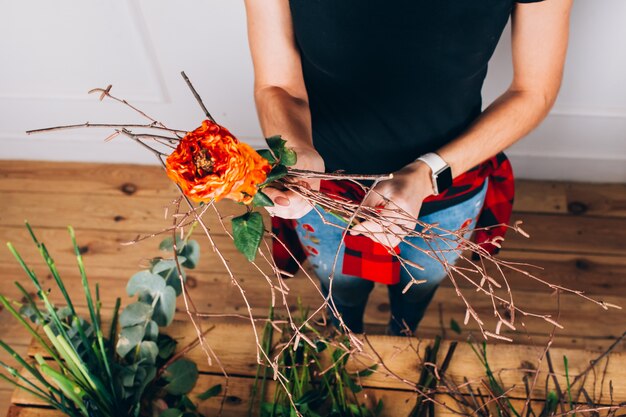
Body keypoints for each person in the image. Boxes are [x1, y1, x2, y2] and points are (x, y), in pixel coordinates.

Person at [243, 0, 572, 335]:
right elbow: (276, 85)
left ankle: (403, 333)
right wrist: (298, 154)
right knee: (339, 287)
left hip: (449, 182)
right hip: (323, 189)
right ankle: (344, 334)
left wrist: (427, 174)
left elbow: (534, 91)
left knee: (417, 289)